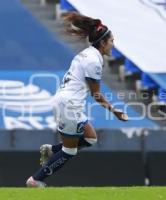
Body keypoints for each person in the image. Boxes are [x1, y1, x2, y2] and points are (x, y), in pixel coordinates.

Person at [26, 12, 128, 187]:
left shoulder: (87, 54)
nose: (113, 44)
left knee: (90, 138)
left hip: (65, 101)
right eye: (111, 41)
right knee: (69, 151)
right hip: (69, 105)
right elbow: (96, 94)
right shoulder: (93, 62)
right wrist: (114, 111)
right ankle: (36, 180)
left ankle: (51, 150)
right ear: (103, 43)